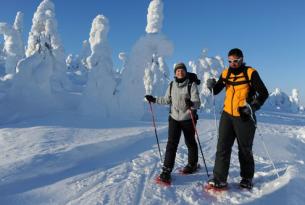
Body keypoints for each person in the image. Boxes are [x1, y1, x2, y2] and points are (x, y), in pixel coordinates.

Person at [206, 48, 269, 189]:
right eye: (230, 61)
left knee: (244, 148)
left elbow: (264, 93)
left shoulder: (250, 73)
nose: (233, 63)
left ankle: (247, 178)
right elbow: (215, 90)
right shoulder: (226, 73)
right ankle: (219, 178)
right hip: (227, 115)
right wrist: (211, 85)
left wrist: (252, 107)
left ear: (241, 59)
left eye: (236, 61)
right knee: (222, 146)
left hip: (244, 116)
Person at [145, 62, 201, 183]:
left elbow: (197, 102)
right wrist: (154, 99)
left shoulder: (191, 84)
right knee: (171, 144)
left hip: (188, 118)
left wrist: (192, 103)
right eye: (177, 71)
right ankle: (166, 170)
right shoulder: (171, 85)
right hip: (174, 118)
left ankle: (193, 164)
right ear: (175, 73)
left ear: (185, 72)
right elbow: (166, 100)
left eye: (182, 70)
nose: (180, 72)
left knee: (190, 142)